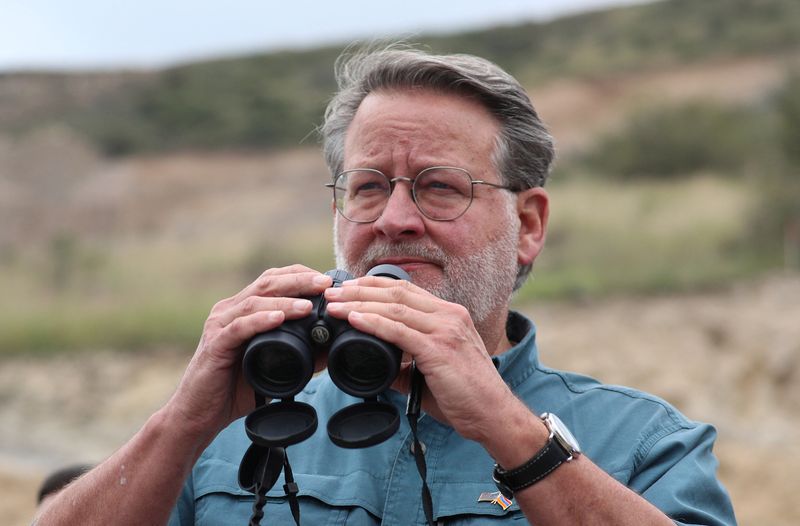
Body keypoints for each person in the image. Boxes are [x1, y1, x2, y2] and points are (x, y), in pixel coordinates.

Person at [34, 45, 736, 525]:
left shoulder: (642, 443)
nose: (396, 220)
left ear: (527, 224)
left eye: (439, 188)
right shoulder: (227, 428)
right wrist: (181, 423)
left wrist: (508, 429)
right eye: (368, 187)